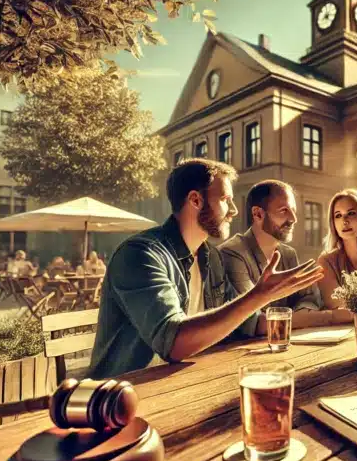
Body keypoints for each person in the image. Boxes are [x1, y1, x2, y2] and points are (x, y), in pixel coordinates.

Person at [88, 158, 324, 379]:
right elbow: (173, 343)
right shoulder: (141, 255)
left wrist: (322, 316)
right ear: (195, 200)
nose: (234, 210)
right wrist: (260, 294)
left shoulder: (211, 257)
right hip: (122, 396)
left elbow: (247, 323)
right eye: (225, 200)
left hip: (188, 380)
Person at [220, 180, 347, 328]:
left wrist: (301, 316)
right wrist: (330, 317)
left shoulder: (288, 254)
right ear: (258, 214)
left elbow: (309, 298)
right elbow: (254, 322)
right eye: (284, 210)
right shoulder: (233, 253)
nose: (294, 219)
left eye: (293, 210)